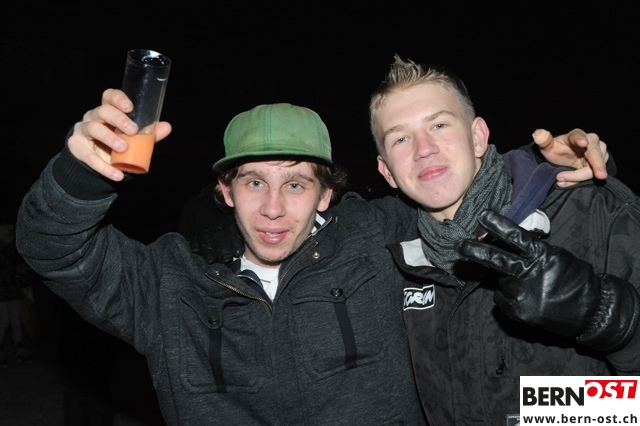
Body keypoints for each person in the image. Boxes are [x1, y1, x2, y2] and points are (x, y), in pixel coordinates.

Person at [14, 89, 607, 424]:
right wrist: (81, 170)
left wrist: (541, 167)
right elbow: (50, 245)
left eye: (296, 184)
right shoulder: (168, 281)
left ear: (326, 195)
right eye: (254, 182)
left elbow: (452, 191)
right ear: (225, 191)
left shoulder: (375, 239)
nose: (274, 208)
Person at [369, 56, 640, 425]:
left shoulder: (593, 212)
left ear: (478, 137)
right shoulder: (399, 259)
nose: (424, 148)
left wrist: (606, 315)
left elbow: (621, 405)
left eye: (439, 125)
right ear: (387, 171)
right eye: (400, 138)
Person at [0, 223, 33, 367]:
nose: (11, 237)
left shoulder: (13, 251)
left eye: (11, 234)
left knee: (16, 321)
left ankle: (19, 347)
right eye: (8, 234)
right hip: (2, 293)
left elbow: (21, 268)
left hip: (13, 291)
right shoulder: (4, 252)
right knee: (4, 321)